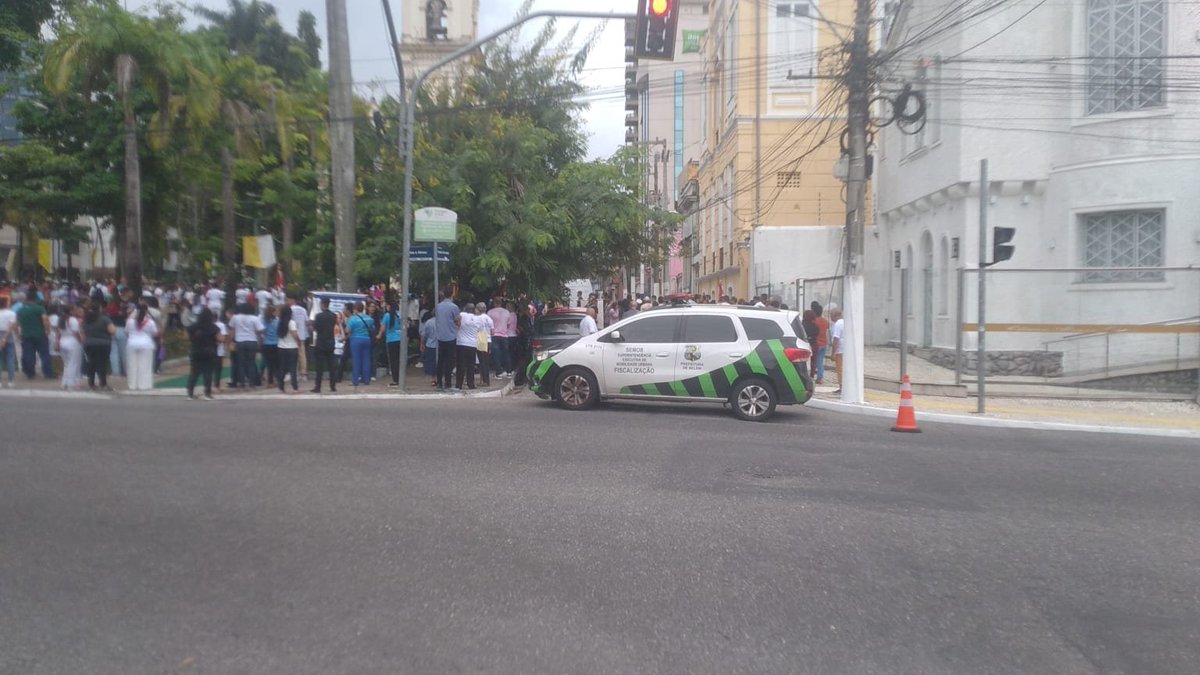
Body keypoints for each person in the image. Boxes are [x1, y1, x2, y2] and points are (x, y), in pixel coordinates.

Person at [16, 291, 53, 380]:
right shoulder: (40, 308)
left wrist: (18, 334)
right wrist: (47, 330)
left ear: (26, 299)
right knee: (44, 355)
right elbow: (45, 320)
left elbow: (16, 323)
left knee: (28, 355)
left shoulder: (20, 310)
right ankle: (47, 373)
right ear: (35, 299)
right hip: (40, 334)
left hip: (26, 335)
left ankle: (30, 373)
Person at [186, 307, 220, 400]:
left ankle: (190, 393)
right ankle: (207, 393)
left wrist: (192, 339)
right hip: (209, 351)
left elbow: (186, 336)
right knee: (208, 372)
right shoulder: (213, 327)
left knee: (194, 373)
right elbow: (219, 339)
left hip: (196, 350)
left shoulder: (193, 326)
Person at [229, 303, 264, 388]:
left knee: (241, 363)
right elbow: (261, 329)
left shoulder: (235, 318)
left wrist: (231, 340)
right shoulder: (254, 318)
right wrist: (255, 334)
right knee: (251, 362)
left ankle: (242, 383)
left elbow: (232, 329)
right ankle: (251, 383)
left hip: (240, 341)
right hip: (251, 341)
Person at [81, 303, 115, 391]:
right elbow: (112, 331)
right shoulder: (105, 319)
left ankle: (91, 384)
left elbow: (82, 332)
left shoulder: (86, 319)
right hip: (103, 343)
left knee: (91, 363)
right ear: (100, 309)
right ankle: (103, 383)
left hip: (89, 343)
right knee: (102, 364)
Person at [125, 302, 158, 391]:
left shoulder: (130, 321)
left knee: (132, 366)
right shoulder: (150, 321)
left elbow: (127, 332)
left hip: (131, 344)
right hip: (146, 344)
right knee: (145, 365)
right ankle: (143, 385)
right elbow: (155, 333)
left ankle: (132, 385)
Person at [310, 298, 338, 393]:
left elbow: (315, 328)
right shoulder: (333, 316)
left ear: (322, 304)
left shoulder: (318, 316)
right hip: (330, 342)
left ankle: (318, 387)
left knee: (319, 367)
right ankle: (333, 386)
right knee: (331, 366)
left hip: (321, 343)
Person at [434, 289, 460, 390]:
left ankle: (439, 383)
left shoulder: (438, 306)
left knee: (440, 360)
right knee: (449, 362)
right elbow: (457, 321)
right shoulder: (454, 307)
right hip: (451, 336)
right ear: (452, 295)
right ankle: (448, 383)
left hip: (440, 336)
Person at [455, 301, 484, 391]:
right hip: (472, 344)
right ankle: (470, 384)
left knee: (460, 365)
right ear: (474, 310)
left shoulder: (462, 315)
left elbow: (456, 320)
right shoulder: (479, 319)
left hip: (461, 343)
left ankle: (459, 384)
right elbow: (480, 331)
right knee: (471, 365)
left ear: (465, 309)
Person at [346, 302, 375, 388]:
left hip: (356, 340)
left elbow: (347, 330)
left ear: (355, 309)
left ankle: (355, 381)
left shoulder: (353, 319)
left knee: (356, 360)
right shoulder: (369, 318)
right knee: (366, 360)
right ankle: (366, 380)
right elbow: (372, 328)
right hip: (367, 340)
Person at [378, 300, 404, 387]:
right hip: (400, 339)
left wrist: (379, 336)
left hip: (391, 340)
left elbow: (383, 328)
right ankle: (401, 378)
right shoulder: (400, 314)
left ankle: (395, 380)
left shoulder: (387, 315)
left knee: (393, 361)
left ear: (389, 306)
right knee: (400, 360)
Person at [58, 305, 84, 390]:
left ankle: (64, 382)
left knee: (66, 364)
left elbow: (58, 332)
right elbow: (76, 333)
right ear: (71, 311)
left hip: (63, 340)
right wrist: (80, 340)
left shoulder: (60, 319)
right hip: (72, 342)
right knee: (73, 363)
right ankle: (71, 383)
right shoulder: (72, 320)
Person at [276, 307, 300, 393]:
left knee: (282, 367)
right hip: (292, 347)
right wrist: (299, 342)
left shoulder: (280, 322)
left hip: (281, 347)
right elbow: (295, 335)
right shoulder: (291, 322)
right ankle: (294, 387)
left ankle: (281, 386)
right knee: (293, 368)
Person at [487, 299, 511, 378]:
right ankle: (509, 372)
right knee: (506, 354)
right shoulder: (507, 312)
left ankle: (499, 372)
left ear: (494, 303)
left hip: (494, 335)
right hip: (504, 335)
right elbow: (508, 325)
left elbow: (488, 325)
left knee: (496, 354)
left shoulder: (490, 312)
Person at [473, 302, 494, 387]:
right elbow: (493, 332)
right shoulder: (489, 318)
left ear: (478, 309)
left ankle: (484, 381)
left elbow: (475, 329)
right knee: (486, 361)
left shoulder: (478, 318)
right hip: (488, 340)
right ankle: (486, 381)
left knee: (481, 362)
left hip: (481, 340)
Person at [260, 305, 280, 387]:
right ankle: (277, 379)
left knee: (269, 364)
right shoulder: (277, 322)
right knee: (277, 363)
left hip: (266, 343)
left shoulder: (264, 321)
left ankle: (270, 381)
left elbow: (262, 331)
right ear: (273, 312)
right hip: (276, 343)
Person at [811, 302, 830, 385]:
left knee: (814, 361)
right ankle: (820, 377)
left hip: (816, 343)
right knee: (820, 361)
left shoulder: (814, 321)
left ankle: (815, 377)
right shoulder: (825, 321)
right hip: (824, 343)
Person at [0, 296, 17, 387]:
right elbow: (12, 327)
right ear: (6, 303)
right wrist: (5, 338)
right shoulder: (11, 313)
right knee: (10, 358)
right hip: (8, 335)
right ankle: (10, 380)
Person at [420, 310, 438, 385]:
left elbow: (424, 334)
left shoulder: (428, 322)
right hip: (440, 344)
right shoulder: (443, 322)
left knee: (431, 363)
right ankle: (439, 378)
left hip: (430, 344)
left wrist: (422, 343)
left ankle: (433, 379)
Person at [829, 308, 845, 395]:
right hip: (846, 350)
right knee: (844, 369)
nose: (830, 317)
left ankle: (842, 387)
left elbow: (836, 339)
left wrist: (833, 353)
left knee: (840, 369)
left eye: (831, 315)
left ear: (836, 315)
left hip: (840, 350)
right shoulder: (845, 322)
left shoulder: (837, 324)